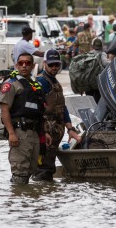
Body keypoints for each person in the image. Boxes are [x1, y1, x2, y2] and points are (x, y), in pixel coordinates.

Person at [33, 49, 82, 181]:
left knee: (49, 165)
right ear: (44, 64)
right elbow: (36, 111)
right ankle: (43, 194)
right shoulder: (41, 82)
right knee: (44, 169)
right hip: (46, 133)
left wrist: (70, 129)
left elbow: (62, 107)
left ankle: (49, 194)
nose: (54, 68)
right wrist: (43, 132)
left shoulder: (54, 81)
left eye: (57, 65)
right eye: (51, 65)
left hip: (56, 133)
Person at [0, 52, 48, 184]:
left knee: (31, 170)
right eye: (21, 63)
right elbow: (4, 110)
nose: (24, 66)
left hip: (35, 133)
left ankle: (26, 202)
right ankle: (17, 201)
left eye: (28, 63)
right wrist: (11, 133)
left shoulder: (35, 85)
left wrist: (45, 133)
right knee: (19, 173)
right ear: (16, 65)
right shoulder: (11, 84)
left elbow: (40, 112)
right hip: (20, 132)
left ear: (33, 66)